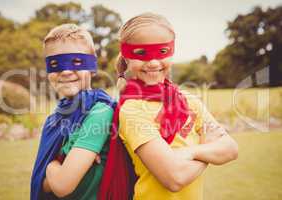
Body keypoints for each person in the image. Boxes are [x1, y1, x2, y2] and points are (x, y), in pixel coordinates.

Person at [99, 13, 238, 200]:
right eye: (141, 53)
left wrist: (190, 152)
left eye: (162, 52)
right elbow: (174, 177)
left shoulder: (188, 100)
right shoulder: (132, 110)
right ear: (126, 57)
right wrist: (207, 149)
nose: (154, 62)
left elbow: (230, 149)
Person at [30, 23, 115, 200]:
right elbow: (42, 185)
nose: (66, 71)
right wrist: (58, 168)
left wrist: (52, 165)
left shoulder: (100, 112)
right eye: (55, 64)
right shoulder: (53, 120)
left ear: (92, 67)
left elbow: (61, 186)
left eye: (76, 62)